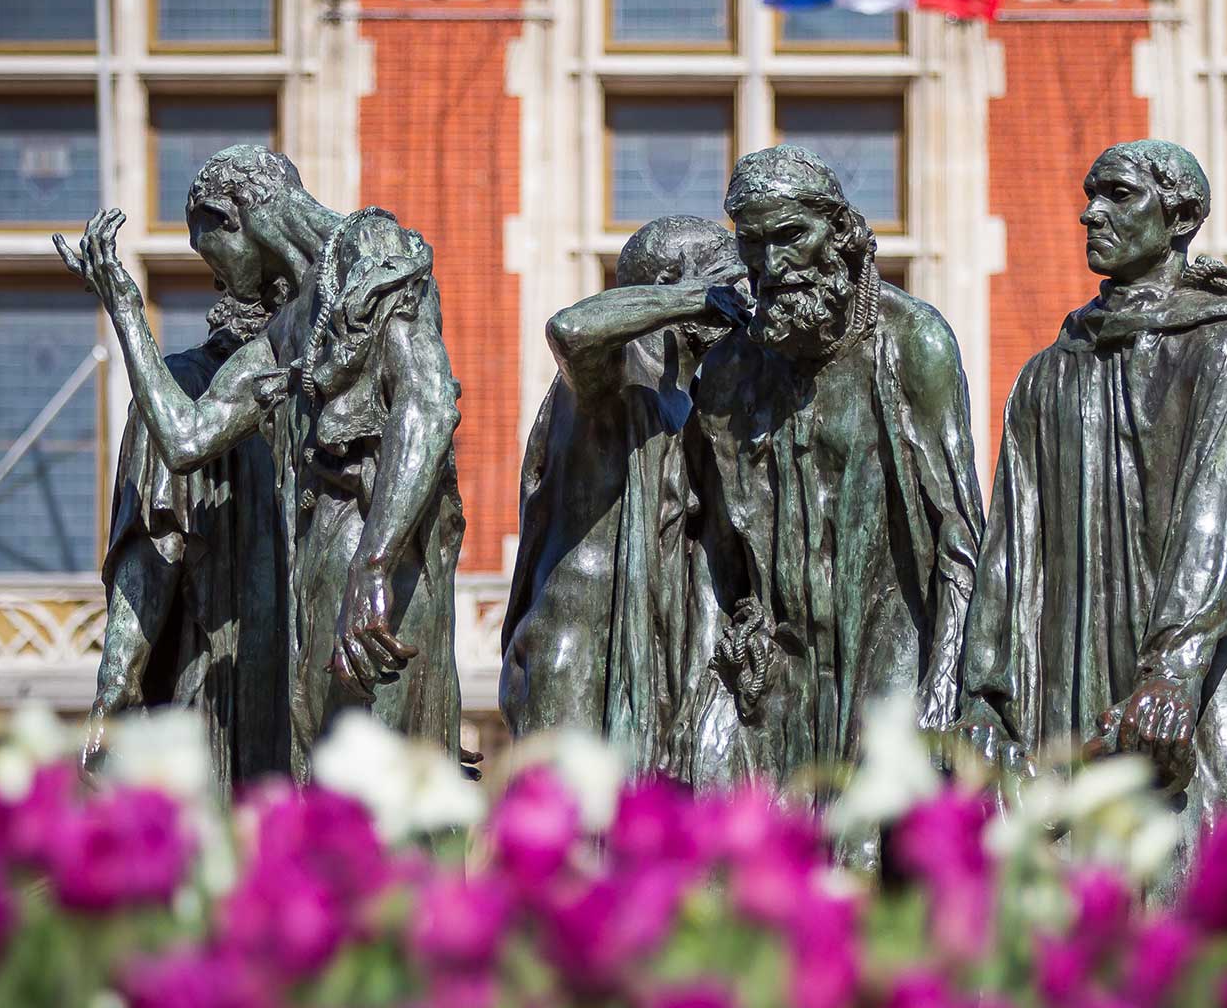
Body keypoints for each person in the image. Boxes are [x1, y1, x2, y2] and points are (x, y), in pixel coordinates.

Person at [957, 140, 1227, 891]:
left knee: (1210, 884)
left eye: (1119, 195)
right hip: (1073, 674)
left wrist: (1173, 671)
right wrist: (984, 699)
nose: (1089, 211)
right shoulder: (1046, 375)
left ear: (1182, 218)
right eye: (1091, 192)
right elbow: (1012, 545)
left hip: (1195, 681)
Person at [56, 145, 470, 779]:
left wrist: (376, 564)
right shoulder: (286, 330)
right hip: (318, 572)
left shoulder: (374, 245)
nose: (217, 280)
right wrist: (126, 311)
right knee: (325, 791)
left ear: (231, 215)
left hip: (377, 566)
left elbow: (431, 401)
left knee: (375, 791)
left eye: (208, 250)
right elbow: (187, 437)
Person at [672, 146, 985, 844]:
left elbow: (962, 540)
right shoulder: (729, 370)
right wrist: (731, 619)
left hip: (892, 635)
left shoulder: (912, 342)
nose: (773, 263)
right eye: (753, 242)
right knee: (739, 851)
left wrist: (946, 688)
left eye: (791, 236)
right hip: (778, 656)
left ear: (839, 235)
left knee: (865, 848)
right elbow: (708, 540)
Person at [500, 215, 749, 770]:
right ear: (671, 286)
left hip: (656, 648)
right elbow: (569, 328)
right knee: (565, 840)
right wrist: (695, 299)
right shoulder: (613, 375)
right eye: (727, 278)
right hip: (578, 648)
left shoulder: (688, 398)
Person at [80, 173, 289, 792]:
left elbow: (149, 561)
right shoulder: (336, 390)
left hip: (219, 708)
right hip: (317, 712)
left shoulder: (177, 391)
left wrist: (110, 712)